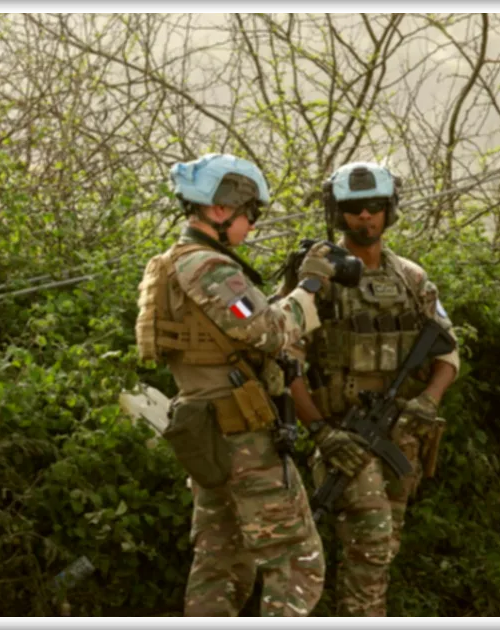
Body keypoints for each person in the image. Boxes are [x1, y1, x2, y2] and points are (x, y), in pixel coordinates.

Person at [134, 153, 359, 616]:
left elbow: (238, 327)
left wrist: (286, 292)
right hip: (242, 437)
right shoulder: (208, 268)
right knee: (296, 563)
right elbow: (270, 331)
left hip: (207, 433)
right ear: (219, 209)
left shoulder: (175, 265)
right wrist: (310, 287)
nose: (252, 225)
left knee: (221, 563)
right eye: (249, 213)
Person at [287, 162, 460, 616]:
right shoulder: (318, 279)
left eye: (375, 206)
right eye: (354, 208)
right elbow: (285, 363)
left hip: (402, 433)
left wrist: (428, 400)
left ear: (389, 209)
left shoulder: (411, 278)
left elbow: (448, 352)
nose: (365, 216)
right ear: (337, 212)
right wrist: (321, 431)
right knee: (371, 541)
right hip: (345, 433)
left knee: (385, 545)